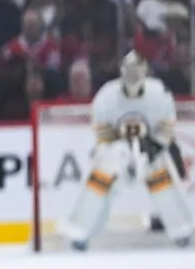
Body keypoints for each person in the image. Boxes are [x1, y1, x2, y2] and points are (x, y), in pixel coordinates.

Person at [62, 51, 192, 250]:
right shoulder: (107, 94)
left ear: (145, 71)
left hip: (150, 150)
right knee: (101, 176)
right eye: (129, 70)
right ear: (122, 71)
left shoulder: (159, 92)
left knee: (161, 177)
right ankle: (81, 230)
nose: (133, 75)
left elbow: (167, 126)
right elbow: (101, 130)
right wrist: (117, 146)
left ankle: (181, 230)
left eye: (137, 70)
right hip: (117, 150)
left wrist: (154, 145)